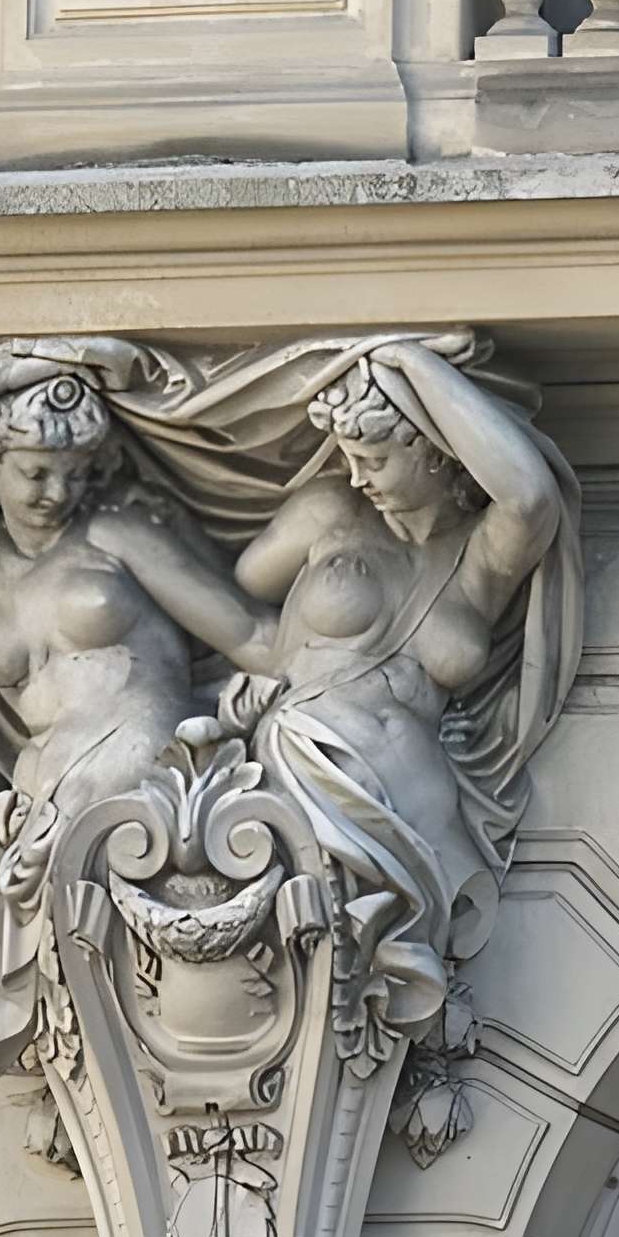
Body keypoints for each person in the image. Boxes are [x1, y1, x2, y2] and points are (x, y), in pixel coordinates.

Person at [0, 337, 270, 1067]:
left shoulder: (116, 535)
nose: (54, 493)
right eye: (34, 472)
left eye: (72, 474)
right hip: (42, 801)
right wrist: (3, 372)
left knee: (160, 1009)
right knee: (86, 1020)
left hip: (141, 775)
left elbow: (248, 634)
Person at [228, 338, 575, 1043]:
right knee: (309, 968)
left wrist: (407, 364)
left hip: (420, 803)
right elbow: (248, 592)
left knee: (380, 978)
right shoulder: (329, 513)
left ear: (437, 452)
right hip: (307, 759)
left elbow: (532, 495)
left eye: (378, 456)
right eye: (351, 456)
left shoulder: (481, 558)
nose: (358, 476)